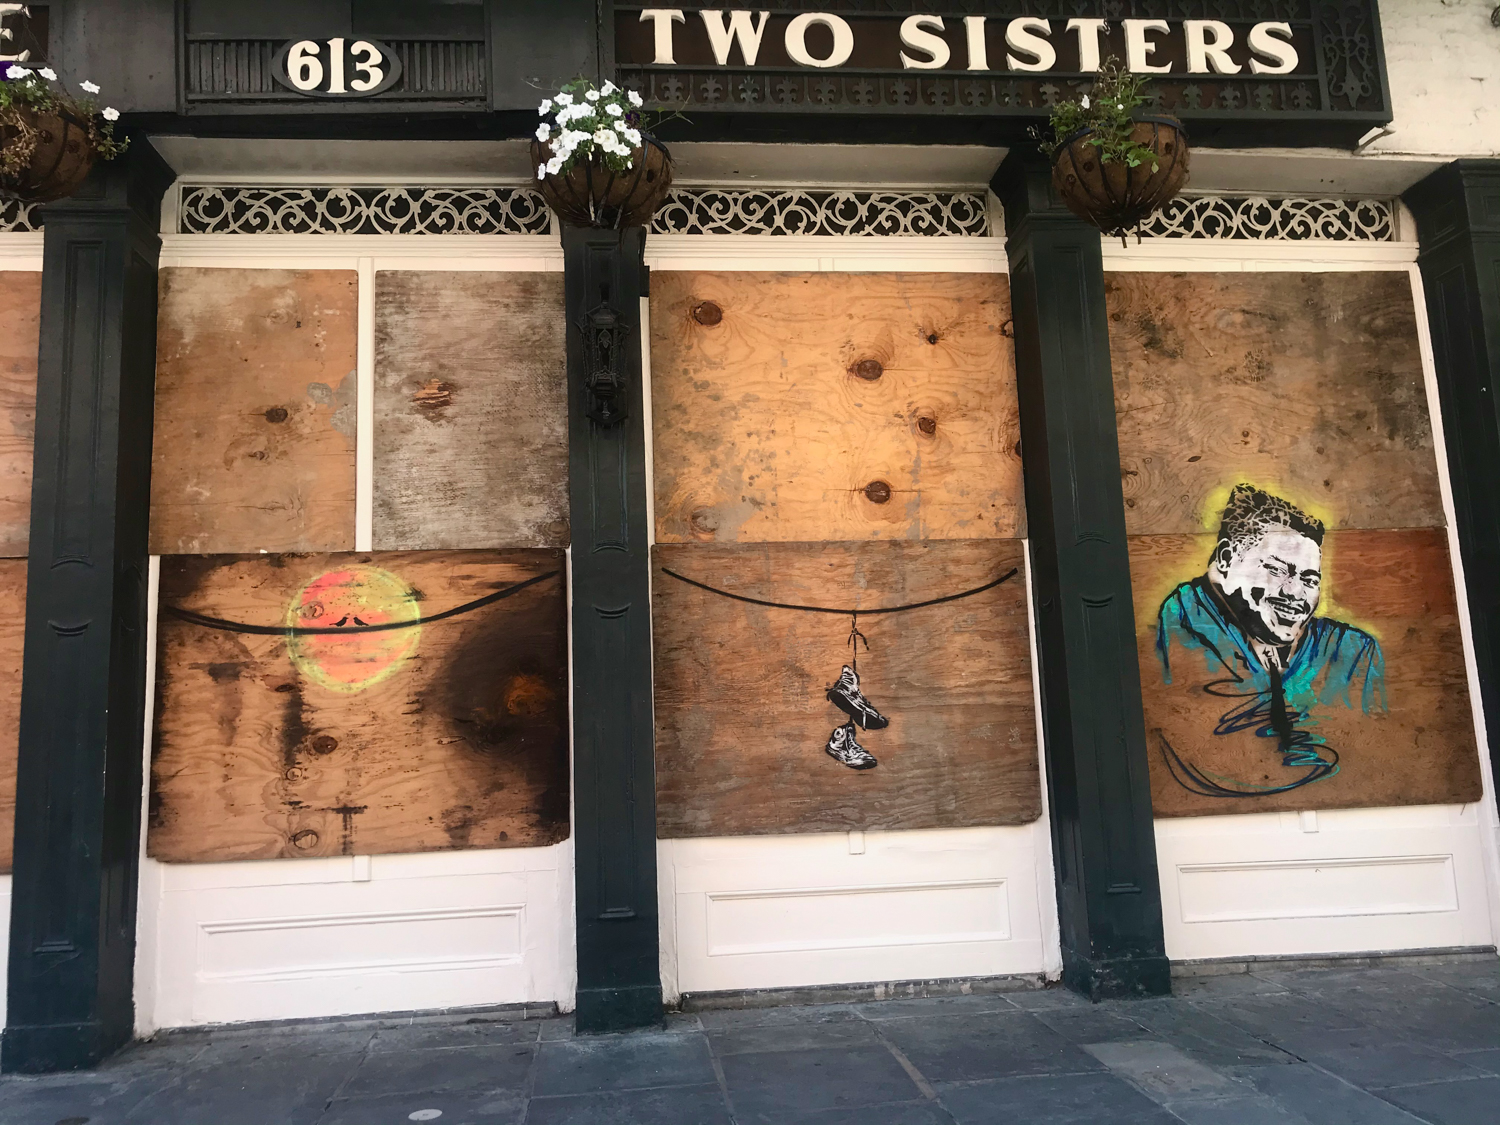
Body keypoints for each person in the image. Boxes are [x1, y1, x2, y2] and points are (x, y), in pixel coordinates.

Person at [1154, 484, 1385, 796]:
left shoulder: (1352, 651)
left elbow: (1374, 752)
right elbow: (1224, 763)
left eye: (1309, 580)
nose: (1295, 593)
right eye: (1277, 570)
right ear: (1226, 558)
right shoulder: (1186, 617)